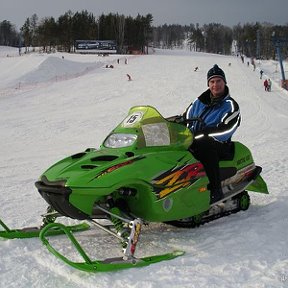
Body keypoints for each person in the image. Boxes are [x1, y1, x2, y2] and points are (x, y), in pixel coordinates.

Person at [184, 64, 241, 204]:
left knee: (204, 146)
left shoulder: (230, 105)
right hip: (194, 140)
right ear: (208, 84)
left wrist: (204, 134)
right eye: (212, 81)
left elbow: (226, 130)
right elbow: (185, 118)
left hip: (219, 145)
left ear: (224, 82)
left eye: (219, 81)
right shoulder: (198, 102)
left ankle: (216, 190)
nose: (216, 85)